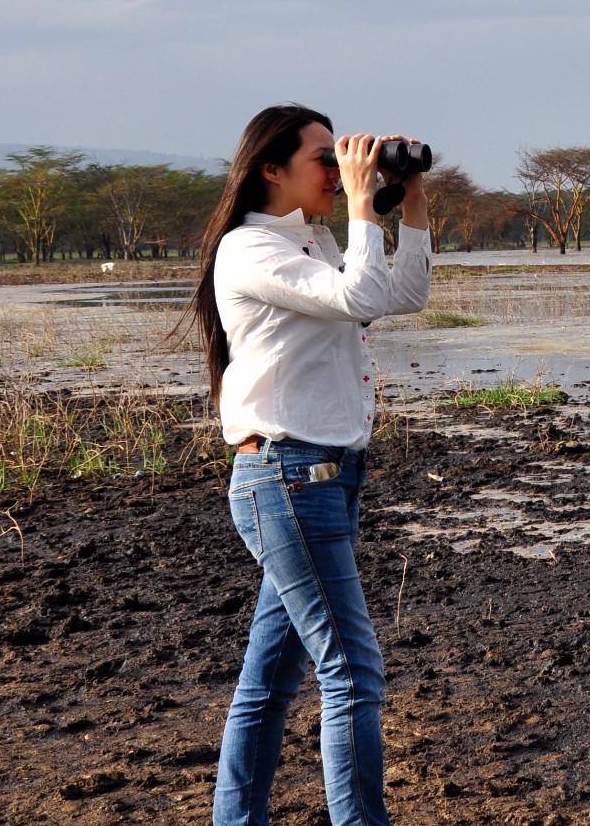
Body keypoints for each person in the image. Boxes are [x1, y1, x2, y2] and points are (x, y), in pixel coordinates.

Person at [186, 103, 431, 826]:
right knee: (353, 673)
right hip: (290, 479)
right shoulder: (250, 251)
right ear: (270, 168)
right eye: (323, 159)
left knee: (270, 683)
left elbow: (400, 294)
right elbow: (358, 292)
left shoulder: (312, 243)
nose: (336, 170)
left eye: (340, 158)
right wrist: (363, 201)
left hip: (323, 479)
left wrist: (407, 198)